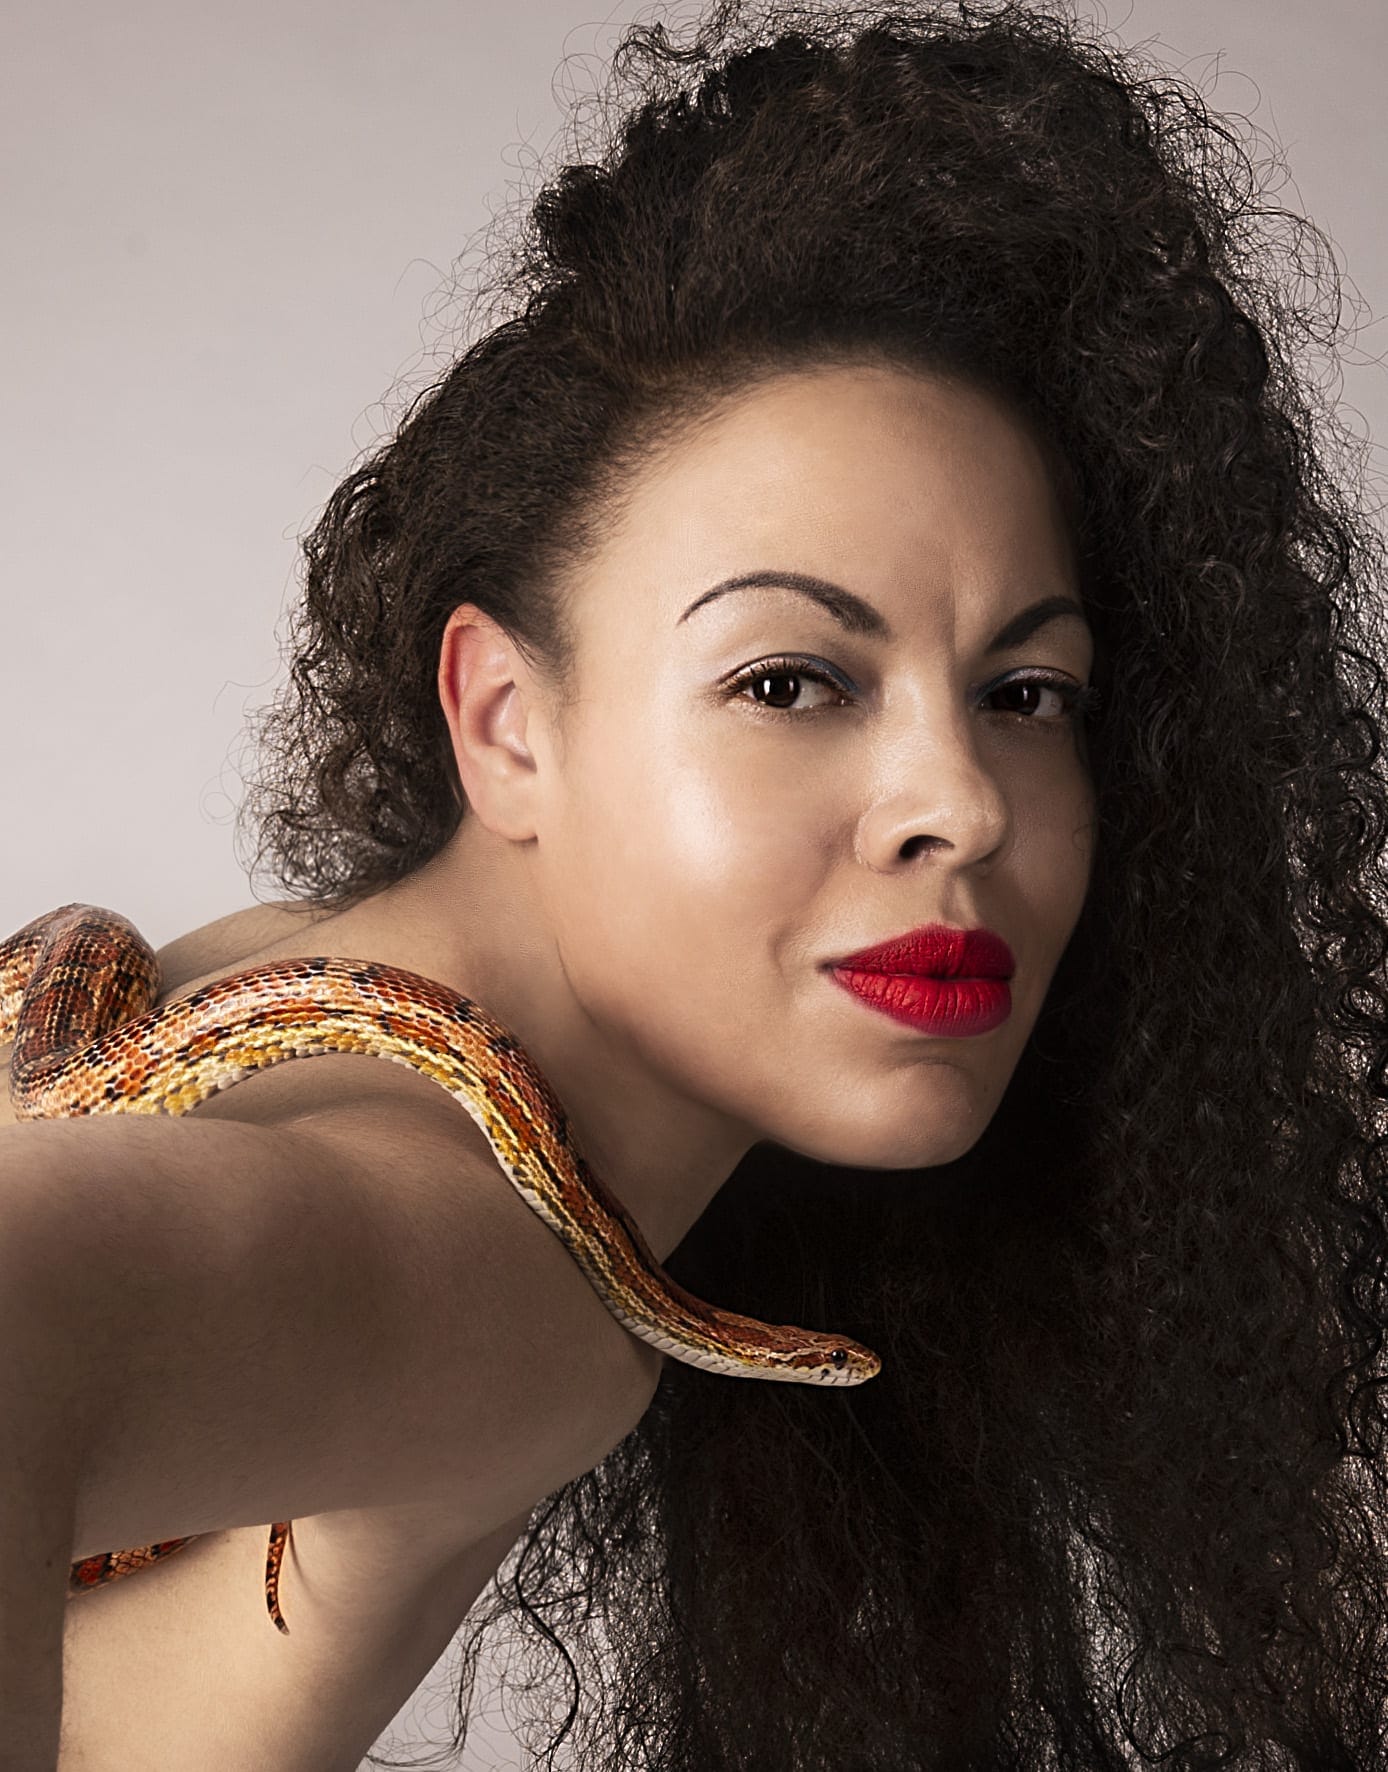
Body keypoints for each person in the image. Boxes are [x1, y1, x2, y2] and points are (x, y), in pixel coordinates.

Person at [4, 0, 1387, 1765]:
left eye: (1028, 694)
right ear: (506, 720)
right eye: (791, 681)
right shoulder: (490, 1263)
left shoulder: (298, 992)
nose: (963, 805)